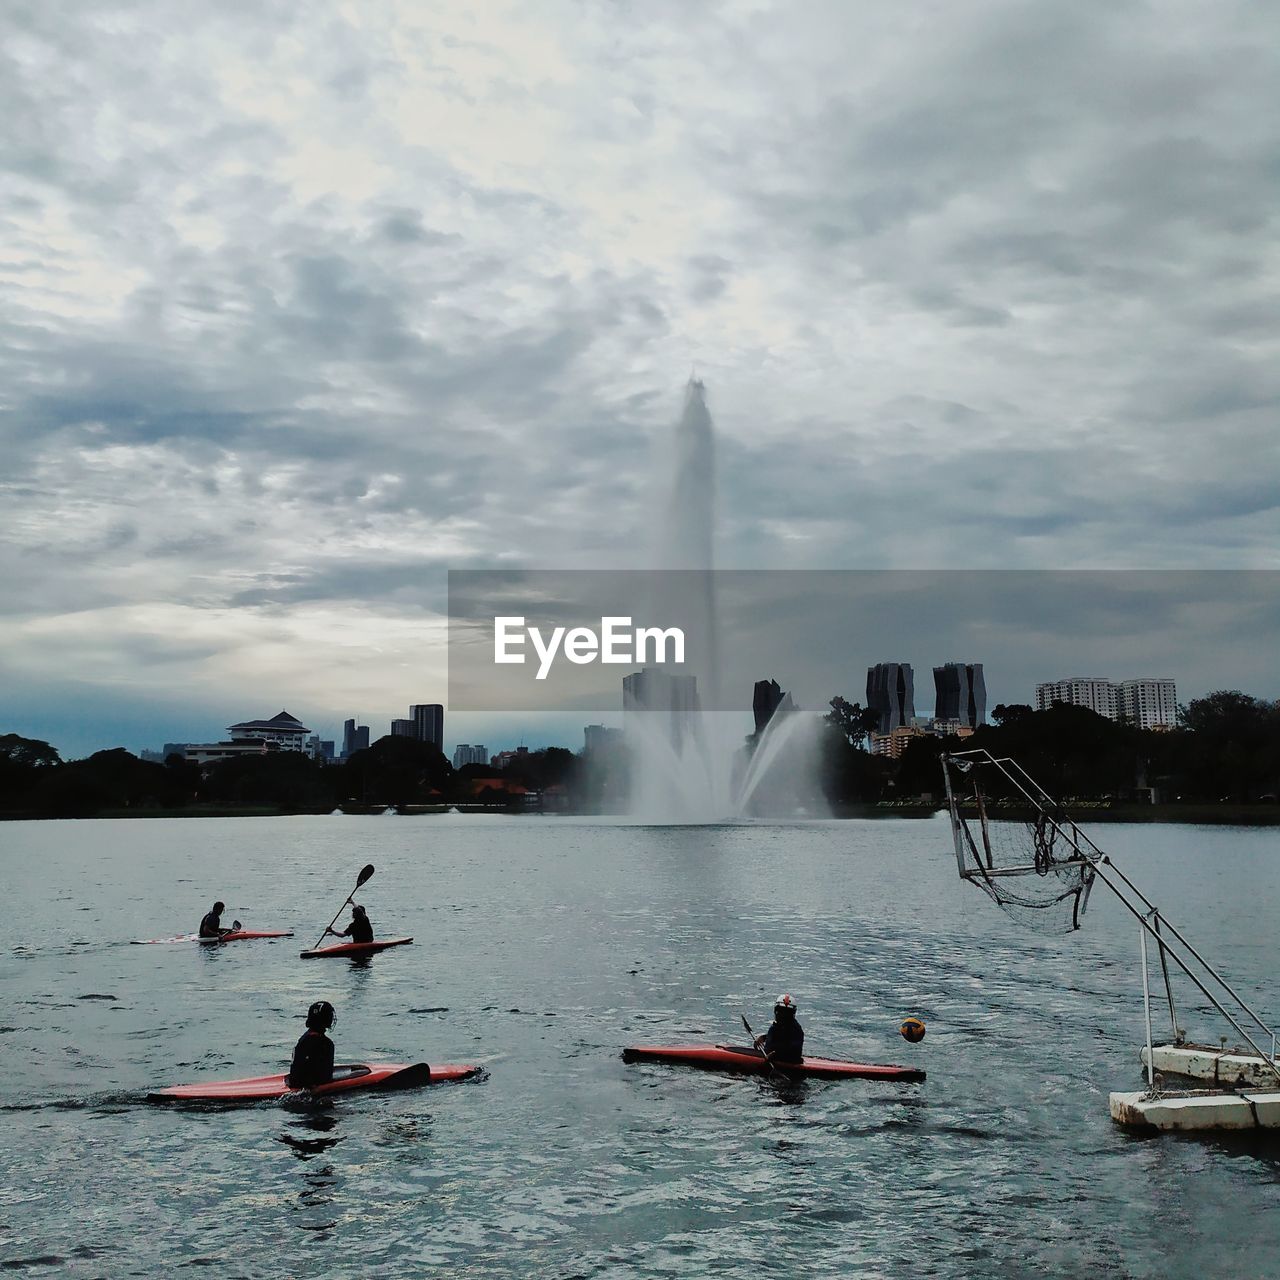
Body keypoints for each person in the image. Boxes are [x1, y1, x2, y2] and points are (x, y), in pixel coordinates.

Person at [288, 1001, 336, 1089]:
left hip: (294, 1082)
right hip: (308, 1089)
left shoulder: (303, 1038)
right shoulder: (326, 1044)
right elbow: (326, 1076)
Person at [755, 993, 804, 1062]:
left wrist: (776, 1056)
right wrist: (764, 1038)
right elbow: (780, 1038)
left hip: (785, 1062)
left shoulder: (796, 1030)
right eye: (781, 1011)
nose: (783, 1015)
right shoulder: (777, 1025)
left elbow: (794, 1053)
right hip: (769, 1056)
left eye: (787, 1013)